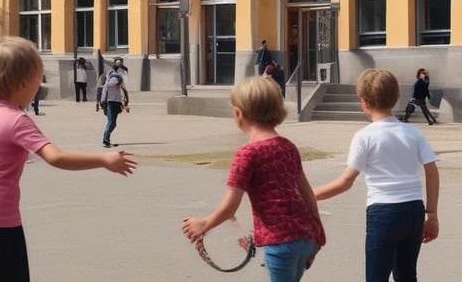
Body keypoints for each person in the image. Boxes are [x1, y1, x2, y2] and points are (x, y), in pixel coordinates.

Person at [0, 36, 137, 282]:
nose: (37, 88)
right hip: (0, 226)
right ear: (21, 84)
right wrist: (103, 160)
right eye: (37, 81)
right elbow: (56, 157)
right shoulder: (17, 120)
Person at [182, 76, 326, 282]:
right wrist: (317, 232)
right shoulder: (288, 146)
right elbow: (306, 194)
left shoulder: (247, 154)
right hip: (305, 237)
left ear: (238, 113)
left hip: (280, 243)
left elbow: (230, 206)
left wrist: (203, 225)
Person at [314, 68, 439, 282]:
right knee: (407, 274)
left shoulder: (365, 136)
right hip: (413, 211)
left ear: (364, 101)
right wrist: (432, 215)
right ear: (397, 96)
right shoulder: (414, 133)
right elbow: (432, 172)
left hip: (383, 212)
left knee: (376, 276)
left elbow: (346, 181)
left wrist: (308, 194)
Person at [99, 65, 130, 148]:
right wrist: (102, 101)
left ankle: (106, 139)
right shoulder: (114, 78)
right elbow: (107, 86)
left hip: (116, 102)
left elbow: (123, 92)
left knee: (113, 123)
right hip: (111, 102)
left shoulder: (119, 80)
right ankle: (106, 140)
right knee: (111, 122)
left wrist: (124, 103)